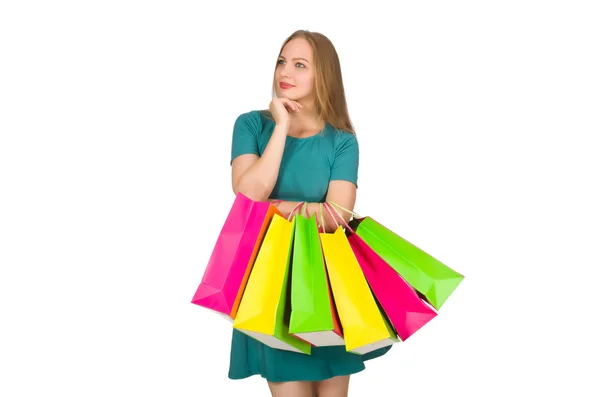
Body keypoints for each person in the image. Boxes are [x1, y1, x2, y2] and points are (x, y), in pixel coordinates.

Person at [228, 29, 392, 397]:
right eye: (282, 61)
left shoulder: (342, 140)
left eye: (300, 65)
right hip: (269, 283)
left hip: (328, 283)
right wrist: (282, 126)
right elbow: (249, 193)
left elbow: (338, 214)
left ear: (324, 76)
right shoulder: (252, 125)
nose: (285, 72)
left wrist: (276, 208)